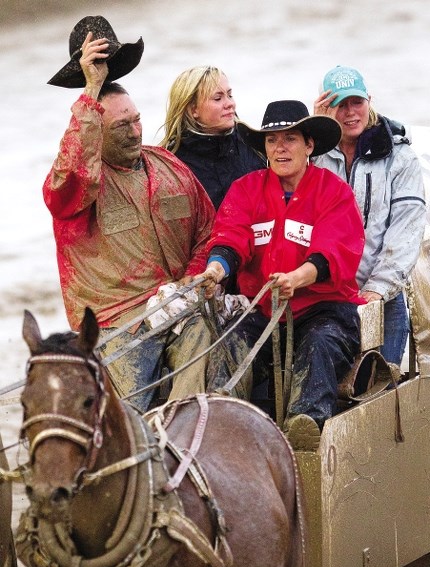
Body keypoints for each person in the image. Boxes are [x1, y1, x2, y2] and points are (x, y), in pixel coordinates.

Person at [43, 16, 216, 412]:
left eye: (137, 121)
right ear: (95, 132)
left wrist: (190, 282)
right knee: (125, 416)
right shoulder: (77, 184)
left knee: (203, 336)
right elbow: (69, 177)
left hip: (179, 306)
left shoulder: (170, 166)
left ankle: (182, 430)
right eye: (122, 126)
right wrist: (89, 90)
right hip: (116, 324)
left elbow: (209, 231)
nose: (136, 132)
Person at [197, 100, 365, 448]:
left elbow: (334, 251)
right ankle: (222, 428)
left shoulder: (334, 192)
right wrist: (216, 269)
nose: (280, 148)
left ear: (309, 145)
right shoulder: (246, 190)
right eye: (272, 140)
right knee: (229, 343)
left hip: (324, 310)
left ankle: (304, 429)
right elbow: (231, 238)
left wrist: (297, 278)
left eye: (290, 138)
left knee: (319, 344)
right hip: (263, 311)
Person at [313, 65, 426, 367]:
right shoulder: (312, 155)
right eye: (340, 105)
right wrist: (314, 133)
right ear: (326, 108)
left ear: (369, 101)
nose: (350, 112)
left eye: (357, 102)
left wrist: (376, 290)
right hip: (323, 296)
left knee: (378, 387)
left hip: (382, 299)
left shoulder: (400, 157)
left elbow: (406, 231)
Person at [160, 65, 265, 210]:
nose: (230, 104)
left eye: (230, 95)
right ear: (193, 109)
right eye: (218, 98)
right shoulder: (170, 165)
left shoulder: (253, 145)